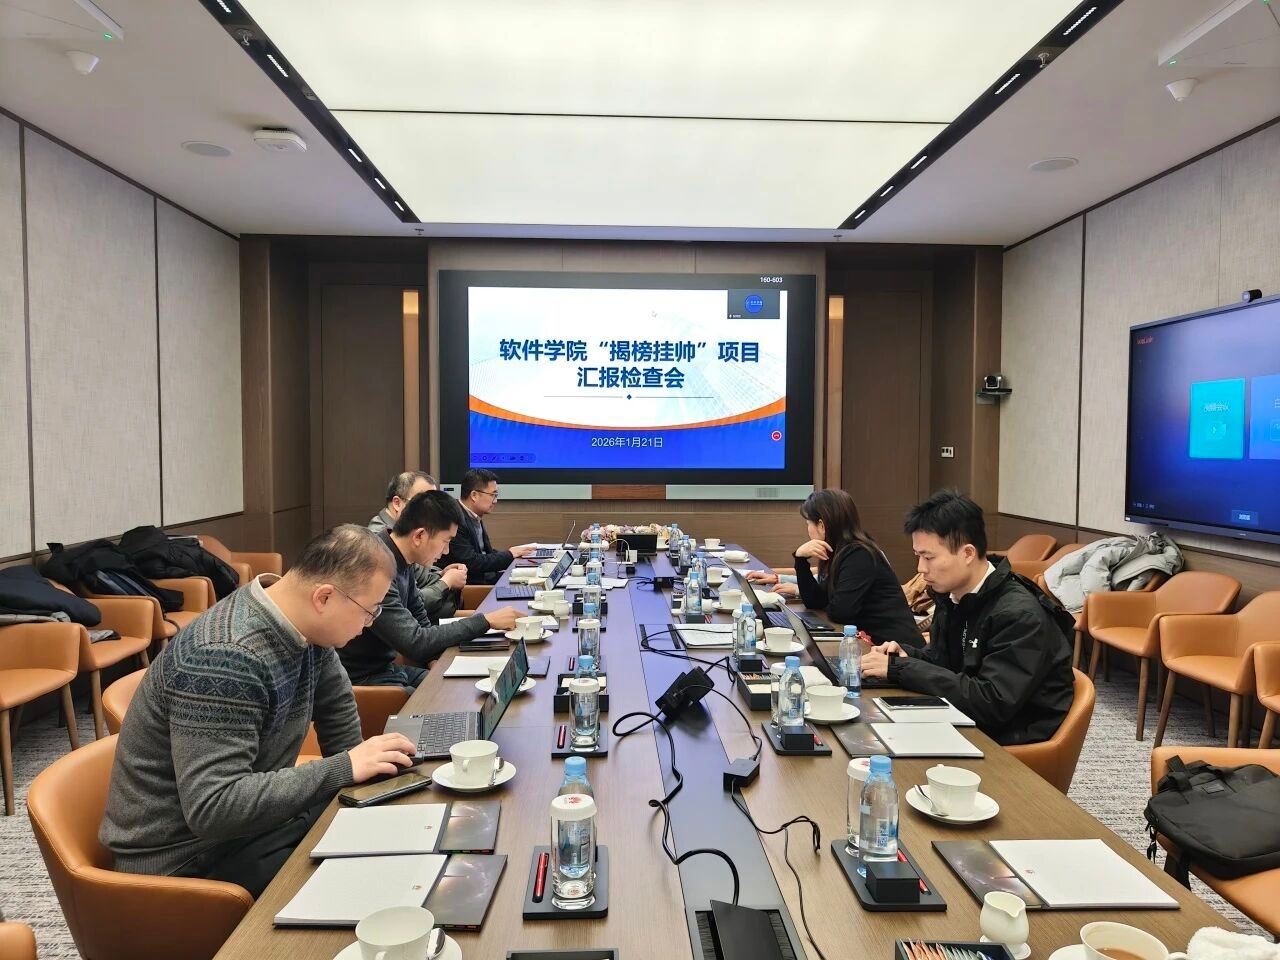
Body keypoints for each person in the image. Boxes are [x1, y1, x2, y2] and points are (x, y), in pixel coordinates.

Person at [100, 525, 419, 898]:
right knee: (370, 887)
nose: (371, 623)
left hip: (251, 829)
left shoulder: (304, 626)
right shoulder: (226, 656)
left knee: (390, 838)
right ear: (324, 597)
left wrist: (364, 779)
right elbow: (213, 807)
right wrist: (345, 768)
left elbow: (338, 712)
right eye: (369, 610)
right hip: (187, 858)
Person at [860, 489, 1075, 746]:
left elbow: (991, 702)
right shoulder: (954, 596)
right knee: (867, 727)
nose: (920, 568)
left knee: (876, 745)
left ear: (968, 553)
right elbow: (945, 662)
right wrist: (906, 655)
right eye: (918, 556)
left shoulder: (1019, 615)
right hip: (966, 719)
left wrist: (901, 669)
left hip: (1008, 742)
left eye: (929, 557)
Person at [340, 490, 520, 690]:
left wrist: (434, 661)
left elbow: (420, 618)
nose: (447, 551)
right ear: (419, 536)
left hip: (388, 669)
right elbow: (415, 641)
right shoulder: (378, 567)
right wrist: (484, 621)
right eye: (446, 541)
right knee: (447, 697)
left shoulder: (400, 558)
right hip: (365, 679)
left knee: (459, 687)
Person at [772, 489, 921, 649]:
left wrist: (828, 601)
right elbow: (815, 601)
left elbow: (841, 612)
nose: (807, 529)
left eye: (808, 523)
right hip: (872, 645)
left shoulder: (859, 554)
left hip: (898, 650)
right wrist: (800, 560)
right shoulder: (838, 551)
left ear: (821, 525)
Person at [369, 470, 467, 618]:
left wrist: (441, 574)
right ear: (397, 503)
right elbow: (410, 611)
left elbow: (418, 584)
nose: (433, 508)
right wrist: (446, 582)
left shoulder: (403, 544)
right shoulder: (380, 547)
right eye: (423, 499)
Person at [439, 468, 535, 585]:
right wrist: (509, 555)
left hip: (485, 578)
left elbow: (484, 553)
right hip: (472, 586)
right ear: (474, 495)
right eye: (493, 495)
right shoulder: (455, 518)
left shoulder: (473, 515)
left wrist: (514, 555)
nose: (495, 501)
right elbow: (471, 562)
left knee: (530, 578)